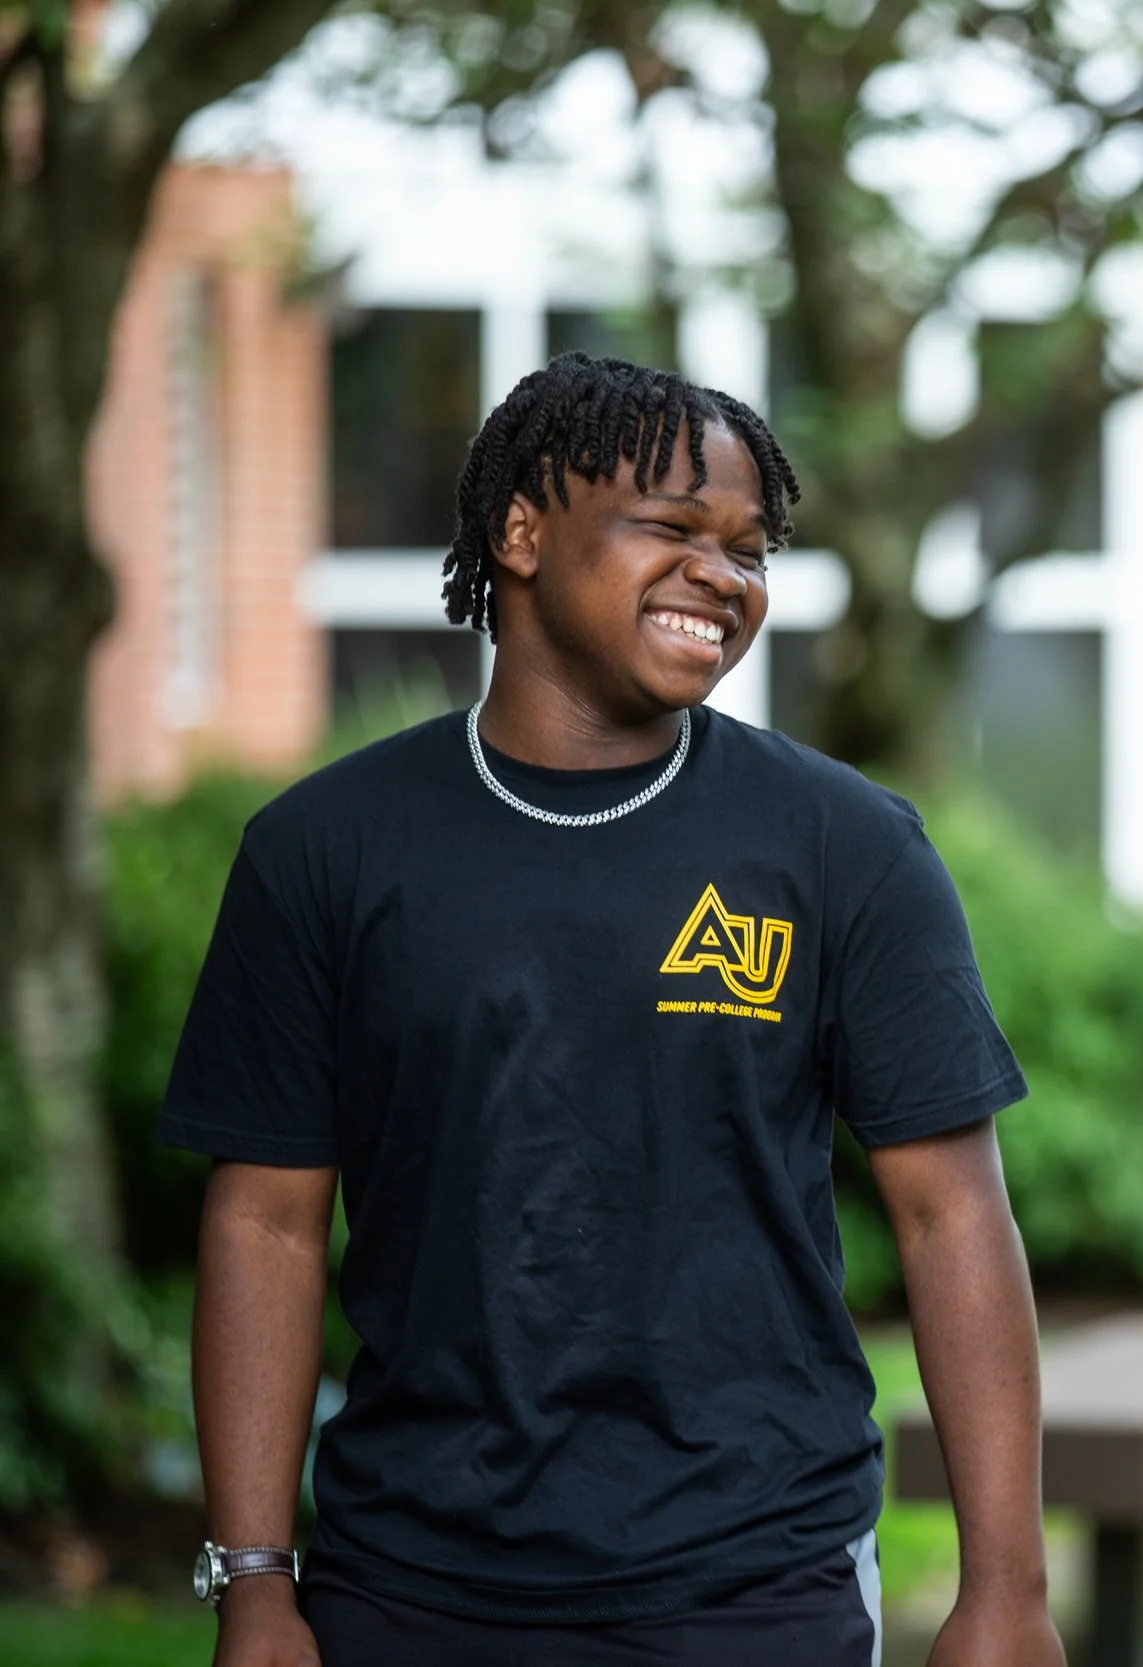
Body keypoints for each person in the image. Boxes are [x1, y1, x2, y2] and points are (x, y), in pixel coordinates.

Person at [165, 354, 1063, 1667]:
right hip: (410, 1580)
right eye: (676, 526)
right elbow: (266, 1224)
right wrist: (254, 1582)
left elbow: (953, 1211)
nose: (726, 575)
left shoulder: (843, 844)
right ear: (522, 531)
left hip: (759, 1577)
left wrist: (1008, 1587)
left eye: (752, 548)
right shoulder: (326, 850)